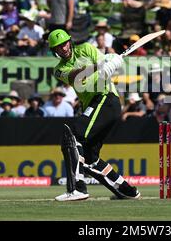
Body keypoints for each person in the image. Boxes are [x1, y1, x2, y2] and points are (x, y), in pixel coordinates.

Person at [49, 28, 140, 201]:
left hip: (105, 98)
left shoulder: (86, 48)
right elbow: (77, 75)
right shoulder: (59, 69)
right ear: (54, 51)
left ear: (70, 41)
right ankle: (127, 191)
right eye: (58, 47)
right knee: (89, 158)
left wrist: (111, 63)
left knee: (73, 135)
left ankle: (77, 188)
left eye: (64, 43)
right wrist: (98, 67)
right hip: (94, 104)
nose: (63, 48)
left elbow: (104, 64)